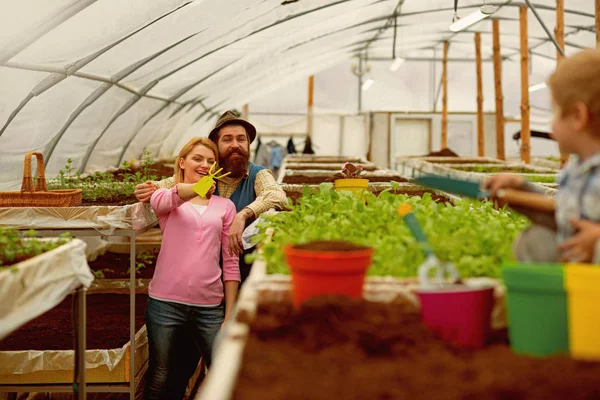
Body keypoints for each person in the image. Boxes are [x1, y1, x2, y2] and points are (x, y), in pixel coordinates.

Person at [135, 110, 288, 282]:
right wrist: (150, 188)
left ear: (248, 144)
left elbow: (276, 194)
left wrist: (243, 214)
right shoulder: (206, 172)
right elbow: (172, 183)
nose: (235, 145)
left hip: (243, 267)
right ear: (216, 144)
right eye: (227, 139)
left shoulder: (257, 175)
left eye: (241, 139)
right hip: (199, 271)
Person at [144, 137, 240, 400]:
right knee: (160, 374)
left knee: (223, 372)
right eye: (198, 159)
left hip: (209, 306)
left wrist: (229, 314)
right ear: (182, 162)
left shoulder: (225, 206)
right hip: (165, 303)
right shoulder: (167, 198)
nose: (205, 165)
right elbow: (166, 198)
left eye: (211, 161)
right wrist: (197, 188)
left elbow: (230, 262)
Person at [484, 49, 600, 264]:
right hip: (577, 279)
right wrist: (521, 189)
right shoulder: (575, 170)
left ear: (578, 116)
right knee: (535, 240)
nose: (551, 124)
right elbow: (563, 215)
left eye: (554, 112)